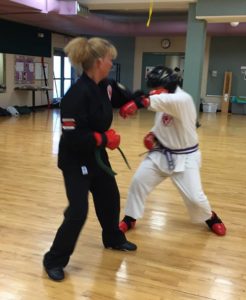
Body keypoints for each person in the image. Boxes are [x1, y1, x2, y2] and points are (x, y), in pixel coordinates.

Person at [43, 37, 137, 282]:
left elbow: (125, 97)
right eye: (110, 59)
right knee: (78, 210)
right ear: (98, 61)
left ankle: (113, 238)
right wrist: (104, 139)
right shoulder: (76, 94)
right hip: (75, 160)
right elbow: (74, 137)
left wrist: (138, 102)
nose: (112, 63)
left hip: (96, 157)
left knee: (110, 197)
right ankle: (53, 259)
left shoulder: (105, 85)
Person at [118, 65, 226, 236]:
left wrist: (138, 102)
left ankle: (210, 216)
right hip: (161, 154)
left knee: (195, 198)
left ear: (169, 85)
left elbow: (153, 102)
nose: (154, 91)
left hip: (186, 157)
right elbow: (162, 122)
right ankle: (130, 218)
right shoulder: (165, 98)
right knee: (138, 182)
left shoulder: (183, 99)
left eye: (157, 87)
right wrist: (153, 134)